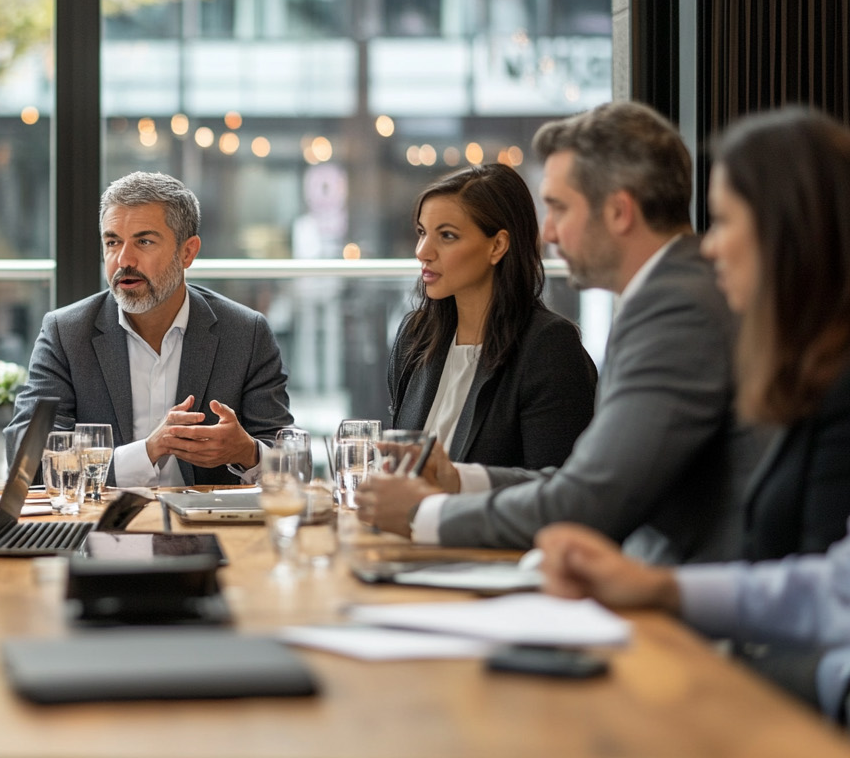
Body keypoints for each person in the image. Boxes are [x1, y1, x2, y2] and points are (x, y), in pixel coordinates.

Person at [535, 107, 850, 722]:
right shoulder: (812, 367)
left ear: (790, 233)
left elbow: (829, 603)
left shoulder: (684, 310)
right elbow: (833, 585)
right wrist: (661, 592)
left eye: (727, 220)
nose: (709, 245)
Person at [361, 101, 760, 564]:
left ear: (618, 212)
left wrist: (422, 513)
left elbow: (591, 502)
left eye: (559, 208)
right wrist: (456, 481)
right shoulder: (661, 302)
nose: (547, 232)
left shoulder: (675, 310)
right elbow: (580, 482)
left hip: (686, 602)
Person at [5, 171, 293, 488]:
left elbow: (288, 463)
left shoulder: (245, 333)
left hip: (207, 530)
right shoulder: (67, 332)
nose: (123, 259)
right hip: (101, 528)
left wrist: (248, 452)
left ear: (188, 252)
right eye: (112, 242)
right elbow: (26, 461)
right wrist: (148, 451)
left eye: (144, 241)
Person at [389, 163, 596, 468]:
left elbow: (555, 493)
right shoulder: (416, 335)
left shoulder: (548, 347)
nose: (422, 250)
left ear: (497, 245)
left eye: (446, 236)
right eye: (422, 232)